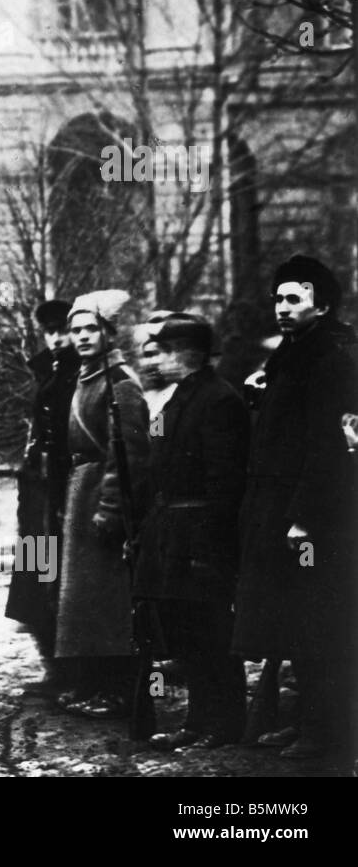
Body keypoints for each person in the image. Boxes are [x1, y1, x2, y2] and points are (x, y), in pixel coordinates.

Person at [233, 255, 357, 761]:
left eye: (293, 299)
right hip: (279, 512)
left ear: (321, 306)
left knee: (319, 619)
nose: (281, 309)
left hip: (312, 523)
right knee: (293, 616)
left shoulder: (333, 360)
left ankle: (328, 732)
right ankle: (306, 721)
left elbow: (329, 447)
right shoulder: (290, 356)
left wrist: (304, 518)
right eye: (278, 300)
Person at [133, 315, 249, 751]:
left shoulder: (219, 400)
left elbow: (226, 482)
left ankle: (225, 725)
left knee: (214, 633)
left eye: (163, 350)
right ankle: (198, 722)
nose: (156, 358)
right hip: (172, 533)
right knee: (186, 634)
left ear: (187, 353)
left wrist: (209, 546)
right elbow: (156, 462)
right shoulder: (177, 398)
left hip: (202, 537)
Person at [53, 289, 151, 720]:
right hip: (82, 493)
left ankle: (117, 692)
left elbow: (127, 454)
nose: (82, 337)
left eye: (91, 328)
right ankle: (93, 685)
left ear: (109, 333)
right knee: (85, 604)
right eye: (75, 330)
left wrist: (110, 509)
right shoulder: (87, 378)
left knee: (109, 603)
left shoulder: (121, 384)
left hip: (102, 500)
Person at [5, 299, 79, 698]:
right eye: (50, 331)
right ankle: (53, 667)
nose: (56, 338)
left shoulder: (77, 373)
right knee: (35, 576)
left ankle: (71, 673)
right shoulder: (47, 372)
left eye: (62, 329)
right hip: (36, 492)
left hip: (59, 491)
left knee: (58, 582)